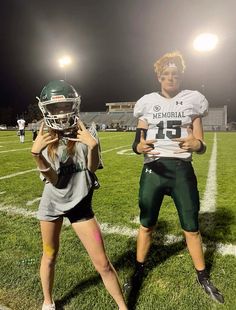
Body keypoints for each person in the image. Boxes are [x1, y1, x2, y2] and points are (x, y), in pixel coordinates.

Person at [125, 51, 224, 304]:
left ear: (180, 76)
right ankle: (138, 269)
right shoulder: (147, 102)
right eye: (166, 74)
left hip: (181, 170)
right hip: (153, 170)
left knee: (191, 227)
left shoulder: (192, 100)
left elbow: (201, 145)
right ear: (159, 76)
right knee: (147, 224)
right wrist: (140, 148)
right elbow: (137, 143)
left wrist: (196, 143)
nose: (171, 78)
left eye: (175, 74)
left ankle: (202, 275)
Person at [31, 80, 127, 310]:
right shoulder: (44, 135)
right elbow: (54, 180)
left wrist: (93, 147)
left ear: (74, 106)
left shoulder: (88, 131)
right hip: (52, 204)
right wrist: (37, 155)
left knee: (103, 264)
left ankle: (123, 308)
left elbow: (91, 170)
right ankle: (48, 302)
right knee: (50, 255)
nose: (61, 112)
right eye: (56, 108)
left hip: (81, 205)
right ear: (47, 109)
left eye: (65, 106)